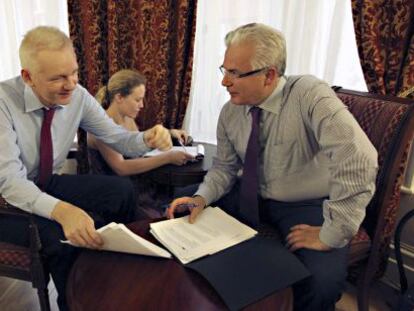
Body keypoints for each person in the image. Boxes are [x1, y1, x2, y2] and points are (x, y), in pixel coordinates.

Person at [167, 23, 378, 310]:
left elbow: (358, 158)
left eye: (235, 73)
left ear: (269, 75)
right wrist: (201, 198)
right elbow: (225, 168)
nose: (224, 82)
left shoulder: (309, 94)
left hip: (304, 203)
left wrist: (332, 233)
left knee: (322, 282)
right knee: (179, 209)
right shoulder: (231, 111)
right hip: (248, 192)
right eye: (224, 70)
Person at [0, 26, 172, 310]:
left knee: (121, 191)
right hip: (6, 199)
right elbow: (10, 182)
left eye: (74, 73)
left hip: (43, 181)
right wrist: (64, 211)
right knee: (63, 237)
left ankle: (127, 274)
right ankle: (75, 303)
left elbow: (119, 140)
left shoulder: (77, 96)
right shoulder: (4, 102)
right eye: (58, 78)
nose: (71, 84)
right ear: (28, 77)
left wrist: (148, 138)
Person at [87, 69, 194, 217]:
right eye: (137, 100)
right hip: (120, 198)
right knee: (173, 212)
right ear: (119, 97)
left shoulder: (127, 118)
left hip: (141, 188)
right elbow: (121, 167)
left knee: (191, 195)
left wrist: (170, 134)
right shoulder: (101, 126)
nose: (142, 105)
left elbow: (138, 146)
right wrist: (168, 158)